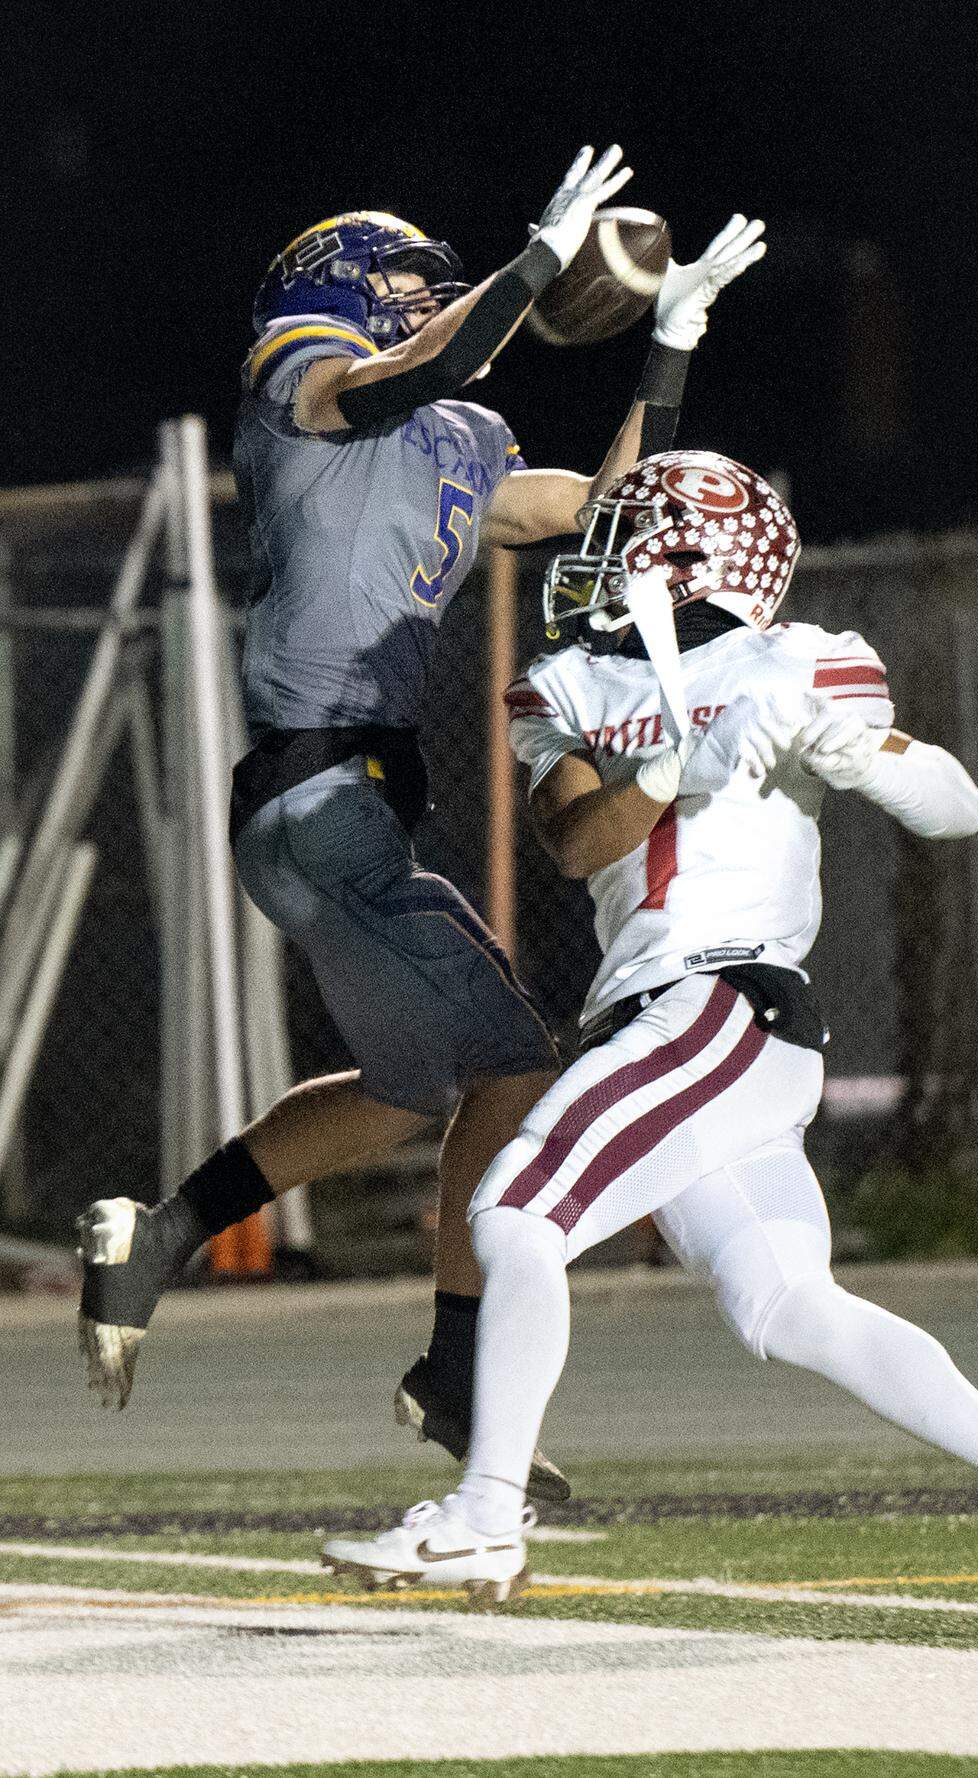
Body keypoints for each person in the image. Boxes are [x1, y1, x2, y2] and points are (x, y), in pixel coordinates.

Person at [321, 449, 978, 1624]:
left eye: (615, 540)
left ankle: (486, 1515)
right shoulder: (575, 685)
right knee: (785, 1302)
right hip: (686, 1023)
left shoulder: (801, 662)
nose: (585, 567)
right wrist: (672, 765)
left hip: (723, 1000)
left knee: (515, 1208)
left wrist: (859, 753)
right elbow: (576, 841)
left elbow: (959, 804)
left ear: (686, 559)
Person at [76, 151, 768, 1504]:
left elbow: (608, 527)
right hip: (316, 789)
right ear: (340, 284)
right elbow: (400, 373)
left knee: (408, 1088)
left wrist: (669, 346)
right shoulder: (305, 377)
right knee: (514, 1055)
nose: (423, 296)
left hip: (351, 811)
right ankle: (455, 1367)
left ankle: (157, 1237)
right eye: (405, 279)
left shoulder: (464, 441)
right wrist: (523, 271)